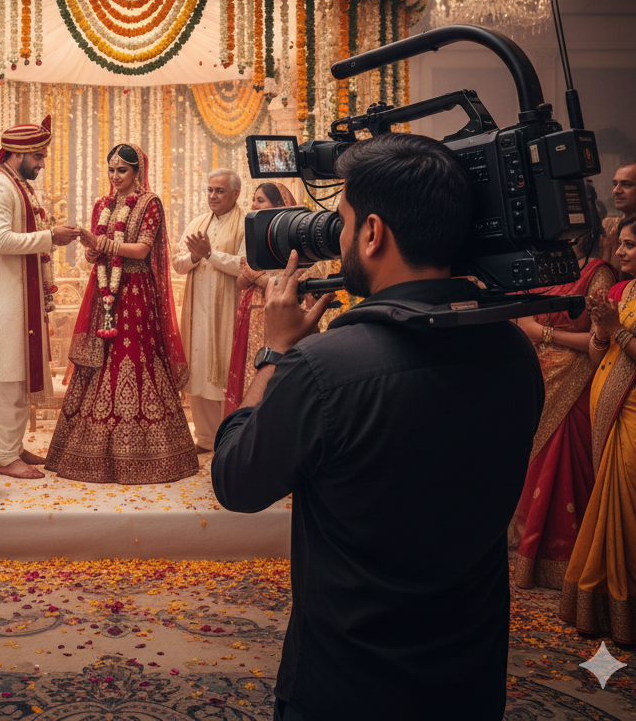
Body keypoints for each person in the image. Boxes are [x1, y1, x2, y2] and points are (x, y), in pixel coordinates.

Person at [211, 133, 544, 721]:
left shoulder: (324, 369)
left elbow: (235, 480)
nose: (334, 238)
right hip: (469, 676)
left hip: (348, 681)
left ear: (372, 233)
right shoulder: (514, 351)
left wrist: (275, 353)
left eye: (338, 223)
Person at [45, 144, 198, 484]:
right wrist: (90, 251)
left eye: (122, 170)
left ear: (137, 171)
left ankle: (150, 453)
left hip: (136, 294)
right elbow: (94, 254)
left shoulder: (149, 203)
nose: (115, 176)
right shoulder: (102, 204)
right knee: (99, 361)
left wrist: (99, 244)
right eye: (111, 170)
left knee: (135, 358)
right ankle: (87, 449)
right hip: (104, 294)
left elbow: (142, 250)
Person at [562, 210, 636, 645]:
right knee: (607, 504)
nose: (619, 250)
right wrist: (602, 331)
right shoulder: (619, 290)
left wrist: (617, 330)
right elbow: (599, 355)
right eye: (619, 242)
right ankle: (603, 607)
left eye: (629, 244)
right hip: (606, 406)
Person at [0, 117, 79, 479]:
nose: (42, 163)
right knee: (8, 379)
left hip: (20, 298)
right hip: (7, 301)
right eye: (38, 156)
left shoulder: (17, 185)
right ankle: (3, 456)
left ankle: (12, 447)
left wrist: (49, 236)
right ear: (18, 154)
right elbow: (0, 240)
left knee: (18, 378)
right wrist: (51, 237)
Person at [510, 223, 616, 589]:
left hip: (576, 381)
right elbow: (521, 320)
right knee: (530, 464)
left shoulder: (597, 273)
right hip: (534, 375)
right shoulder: (540, 266)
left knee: (563, 464)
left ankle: (565, 559)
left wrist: (545, 334)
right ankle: (528, 553)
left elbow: (602, 338)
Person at [172, 168, 245, 453]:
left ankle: (229, 438)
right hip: (197, 311)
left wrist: (211, 254)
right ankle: (204, 438)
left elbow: (245, 265)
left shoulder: (245, 224)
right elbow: (177, 263)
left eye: (220, 191)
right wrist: (194, 256)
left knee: (224, 371)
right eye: (210, 190)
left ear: (235, 194)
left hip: (228, 311)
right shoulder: (197, 223)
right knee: (198, 370)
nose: (212, 196)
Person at [225, 182, 297, 417]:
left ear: (279, 205)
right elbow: (240, 282)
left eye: (260, 200)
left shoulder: (294, 241)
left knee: (273, 374)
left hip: (278, 317)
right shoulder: (256, 238)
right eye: (254, 199)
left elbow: (294, 286)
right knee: (251, 375)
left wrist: (258, 277)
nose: (254, 204)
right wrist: (254, 276)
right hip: (251, 314)